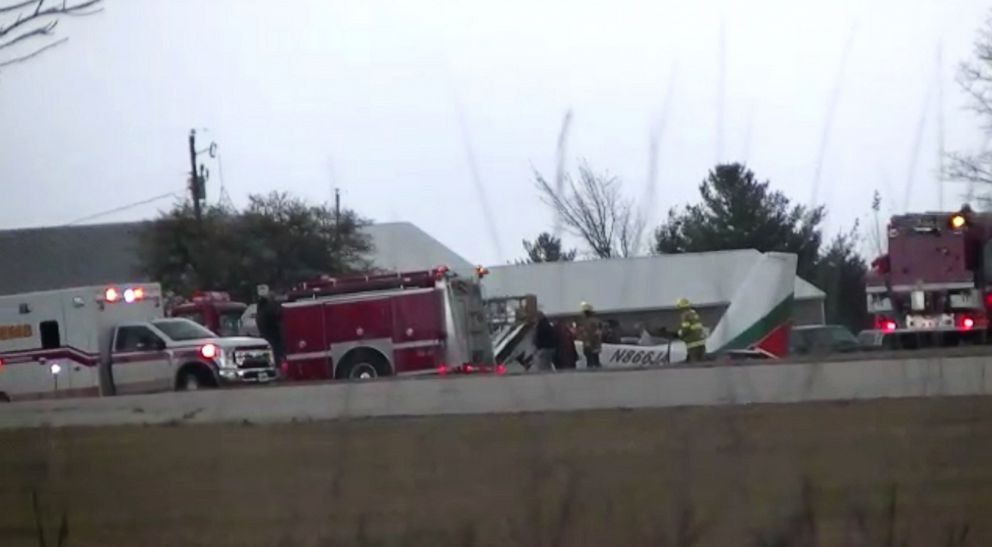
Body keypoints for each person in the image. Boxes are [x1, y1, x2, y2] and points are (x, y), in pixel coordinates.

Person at [676, 298, 707, 362]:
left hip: (692, 343)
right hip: (701, 341)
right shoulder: (694, 313)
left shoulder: (685, 315)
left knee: (694, 363)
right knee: (702, 362)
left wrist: (680, 335)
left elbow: (686, 329)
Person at [576, 301, 603, 368]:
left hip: (589, 345)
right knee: (596, 360)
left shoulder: (586, 322)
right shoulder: (596, 321)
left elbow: (586, 334)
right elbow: (598, 333)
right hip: (595, 345)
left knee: (590, 362)